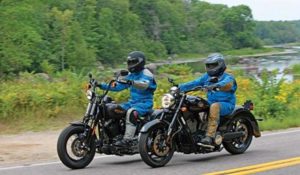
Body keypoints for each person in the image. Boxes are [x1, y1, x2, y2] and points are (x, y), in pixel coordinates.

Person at [98, 51, 157, 147]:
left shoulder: (147, 74)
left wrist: (132, 82)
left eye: (133, 62)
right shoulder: (131, 74)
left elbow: (144, 85)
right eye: (129, 62)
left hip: (144, 103)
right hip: (132, 102)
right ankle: (111, 137)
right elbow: (118, 86)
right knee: (112, 109)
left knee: (131, 112)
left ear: (140, 62)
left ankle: (127, 140)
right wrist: (101, 85)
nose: (131, 65)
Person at [179, 53, 237, 146]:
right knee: (194, 104)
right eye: (209, 65)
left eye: (213, 65)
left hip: (226, 104)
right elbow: (195, 82)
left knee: (214, 107)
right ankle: (196, 131)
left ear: (220, 64)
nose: (211, 67)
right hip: (211, 102)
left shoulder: (228, 77)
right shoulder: (207, 76)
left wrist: (216, 85)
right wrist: (179, 87)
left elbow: (227, 84)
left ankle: (209, 136)